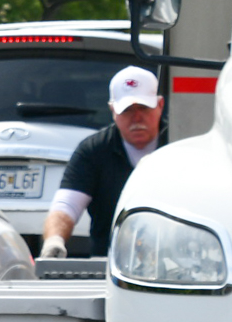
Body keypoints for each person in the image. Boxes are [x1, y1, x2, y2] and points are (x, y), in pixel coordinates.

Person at [40, 65, 162, 258]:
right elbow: (67, 205)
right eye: (127, 110)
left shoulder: (178, 144)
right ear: (112, 110)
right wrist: (54, 241)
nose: (137, 118)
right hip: (107, 265)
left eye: (144, 108)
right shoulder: (93, 151)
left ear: (160, 105)